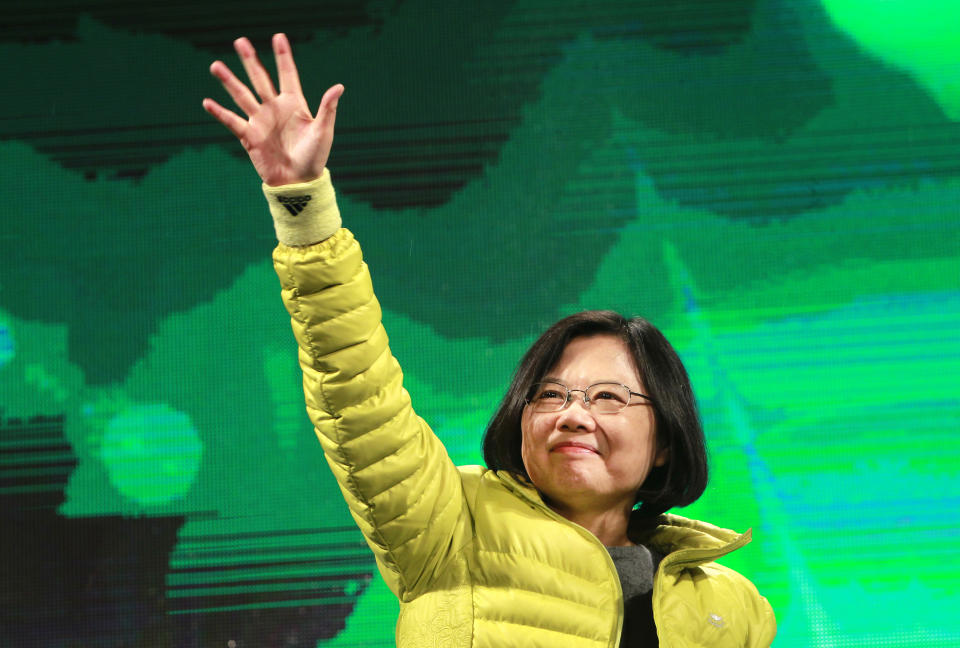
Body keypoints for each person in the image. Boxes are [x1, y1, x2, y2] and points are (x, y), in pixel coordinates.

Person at [204, 33, 776, 647]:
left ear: (665, 441)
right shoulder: (449, 523)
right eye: (550, 395)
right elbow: (356, 389)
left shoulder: (730, 606)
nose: (573, 416)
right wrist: (303, 205)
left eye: (609, 397)